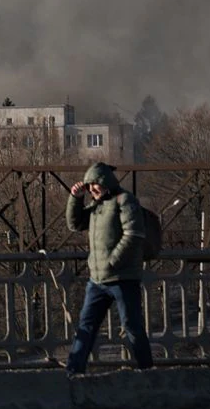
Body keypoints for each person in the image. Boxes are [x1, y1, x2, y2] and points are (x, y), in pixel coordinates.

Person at [64, 161, 154, 375]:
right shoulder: (97, 206)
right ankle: (73, 372)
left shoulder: (125, 201)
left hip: (123, 277)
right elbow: (74, 224)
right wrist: (75, 199)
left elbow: (134, 234)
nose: (92, 190)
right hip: (97, 280)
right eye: (89, 187)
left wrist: (112, 261)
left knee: (131, 327)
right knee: (86, 327)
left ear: (106, 182)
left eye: (95, 185)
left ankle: (148, 370)